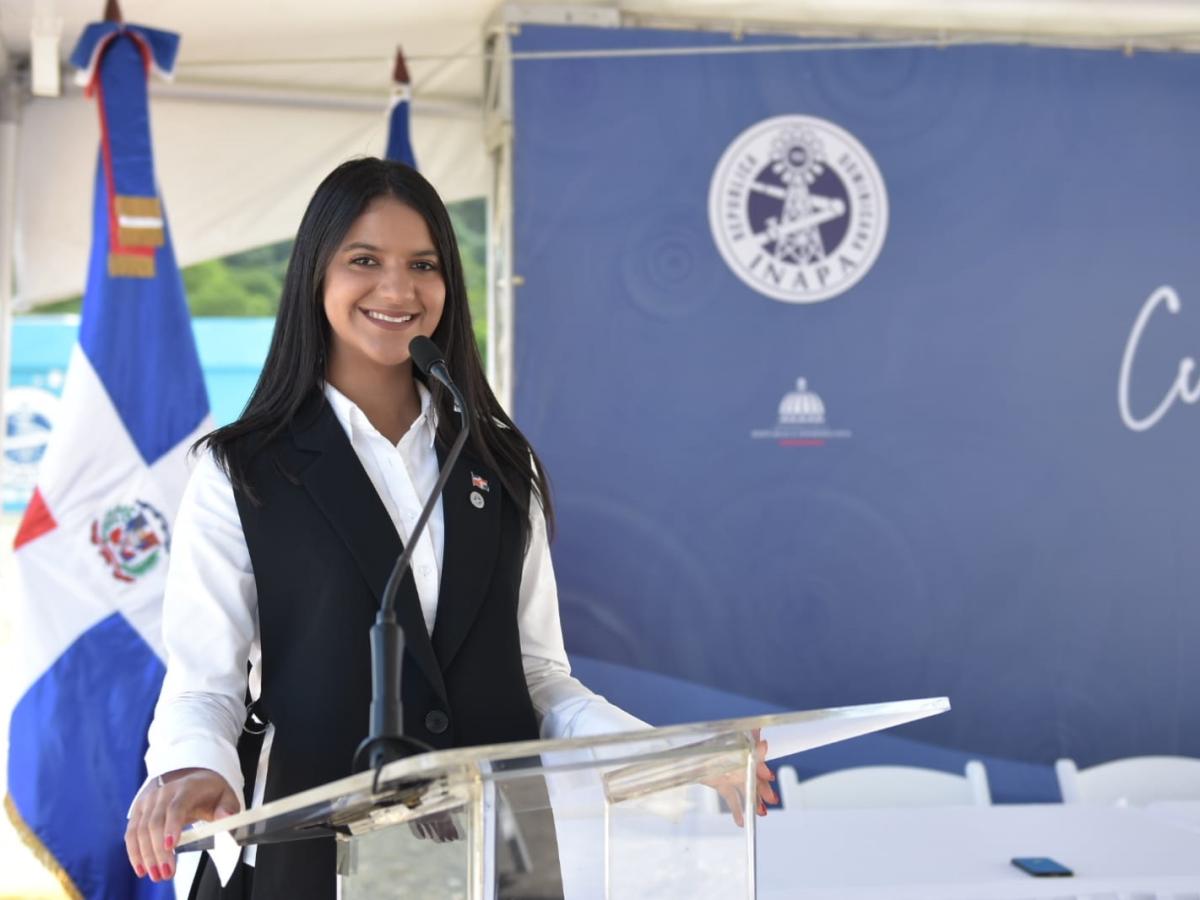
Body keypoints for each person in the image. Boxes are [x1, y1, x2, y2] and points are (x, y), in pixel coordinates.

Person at [123, 157, 775, 899]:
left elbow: (539, 678)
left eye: (423, 265)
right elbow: (206, 681)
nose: (398, 289)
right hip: (313, 859)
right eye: (364, 260)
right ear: (316, 277)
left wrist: (663, 756)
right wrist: (191, 765)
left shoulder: (495, 459)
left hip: (492, 856)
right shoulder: (244, 470)